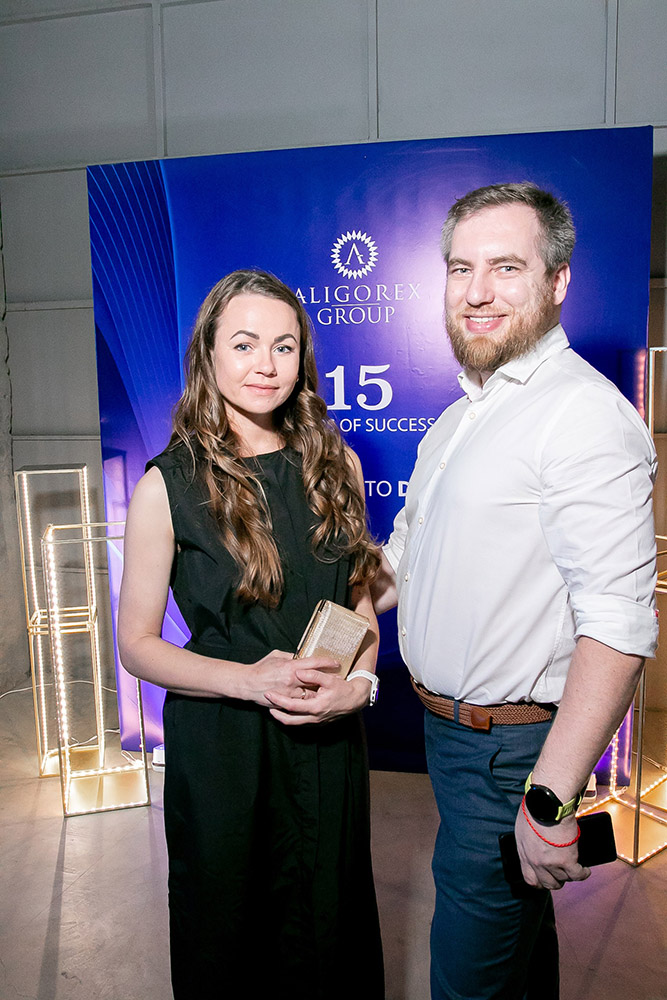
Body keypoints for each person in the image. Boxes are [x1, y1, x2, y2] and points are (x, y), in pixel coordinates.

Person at [372, 182, 658, 1000]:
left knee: (468, 980)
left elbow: (617, 625)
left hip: (510, 755)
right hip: (454, 740)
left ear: (557, 280)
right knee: (517, 960)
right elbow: (402, 557)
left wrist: (548, 800)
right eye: (460, 268)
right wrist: (317, 615)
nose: (476, 291)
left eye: (505, 267)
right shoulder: (459, 418)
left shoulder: (581, 417)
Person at [118, 269, 385, 1000]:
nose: (266, 364)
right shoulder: (165, 486)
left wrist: (360, 686)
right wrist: (247, 680)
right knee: (229, 936)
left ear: (303, 357)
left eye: (283, 346)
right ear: (208, 354)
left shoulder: (336, 466)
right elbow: (136, 644)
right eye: (243, 344)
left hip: (326, 739)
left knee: (329, 928)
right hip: (223, 747)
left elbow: (359, 607)